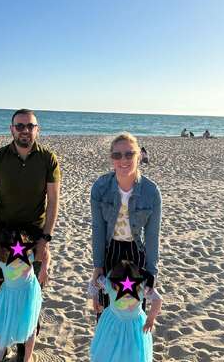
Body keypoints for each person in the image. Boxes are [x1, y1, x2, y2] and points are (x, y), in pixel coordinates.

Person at [0, 109, 60, 362]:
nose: (24, 130)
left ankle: (23, 354)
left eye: (30, 125)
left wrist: (45, 241)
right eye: (19, 126)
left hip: (33, 241)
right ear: (11, 128)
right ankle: (0, 350)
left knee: (30, 300)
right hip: (3, 241)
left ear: (37, 129)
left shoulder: (48, 159)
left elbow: (54, 202)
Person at [90, 132, 162, 319]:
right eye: (117, 155)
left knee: (134, 313)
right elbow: (98, 229)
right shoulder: (100, 187)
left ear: (139, 156)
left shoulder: (151, 191)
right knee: (107, 312)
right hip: (110, 251)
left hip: (136, 252)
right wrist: (98, 266)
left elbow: (153, 235)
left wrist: (152, 271)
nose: (123, 160)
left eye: (129, 154)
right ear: (111, 158)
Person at [0, 231, 50, 361]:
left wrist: (44, 269)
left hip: (28, 293)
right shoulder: (1, 259)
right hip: (9, 297)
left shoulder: (29, 254)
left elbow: (46, 254)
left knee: (30, 326)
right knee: (4, 329)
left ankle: (27, 357)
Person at [89, 260, 162, 362]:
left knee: (128, 352)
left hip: (128, 324)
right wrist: (94, 300)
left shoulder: (141, 286)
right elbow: (93, 284)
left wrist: (150, 319)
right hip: (119, 323)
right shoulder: (111, 283)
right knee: (115, 351)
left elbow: (157, 300)